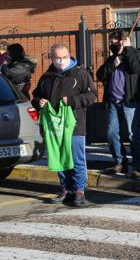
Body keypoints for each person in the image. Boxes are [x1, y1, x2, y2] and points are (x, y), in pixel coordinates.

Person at [32, 43, 97, 207]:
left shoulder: (80, 73)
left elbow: (92, 95)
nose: (61, 61)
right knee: (59, 157)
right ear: (51, 58)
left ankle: (79, 191)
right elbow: (36, 94)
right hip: (54, 126)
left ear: (69, 56)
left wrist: (74, 101)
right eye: (57, 58)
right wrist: (38, 101)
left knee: (76, 158)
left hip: (74, 124)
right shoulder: (47, 76)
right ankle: (65, 189)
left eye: (64, 57)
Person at [96, 30, 140, 179]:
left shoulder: (134, 54)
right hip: (113, 102)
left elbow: (134, 67)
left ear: (123, 41)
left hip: (129, 102)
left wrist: (129, 49)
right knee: (111, 133)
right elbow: (100, 75)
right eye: (111, 42)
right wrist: (113, 64)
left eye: (116, 42)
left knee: (133, 134)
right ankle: (120, 161)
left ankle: (139, 165)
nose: (113, 45)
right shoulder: (111, 59)